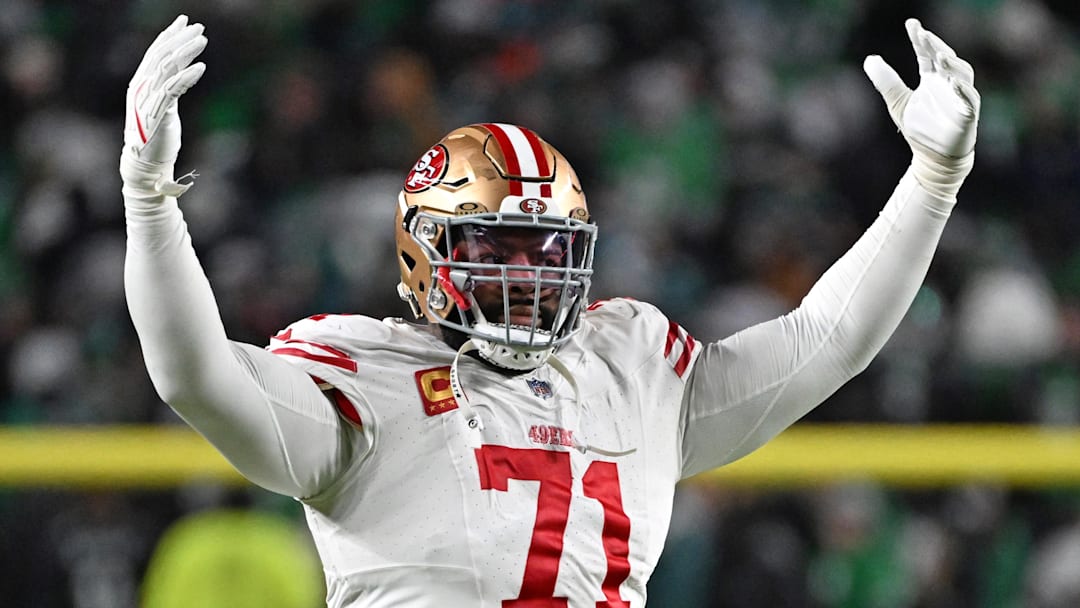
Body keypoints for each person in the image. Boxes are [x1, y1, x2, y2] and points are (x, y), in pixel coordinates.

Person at [120, 14, 979, 607]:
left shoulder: (627, 368)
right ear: (426, 252)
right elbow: (194, 374)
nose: (530, 276)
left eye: (549, 250)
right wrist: (150, 202)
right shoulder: (365, 381)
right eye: (497, 250)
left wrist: (932, 180)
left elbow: (827, 340)